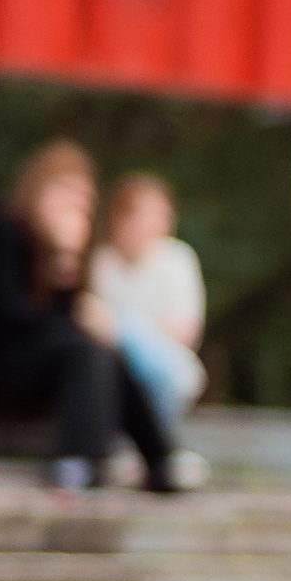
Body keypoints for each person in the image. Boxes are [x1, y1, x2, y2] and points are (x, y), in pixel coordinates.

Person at [0, 141, 181, 495]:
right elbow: (13, 318)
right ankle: (81, 459)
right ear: (39, 188)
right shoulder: (0, 231)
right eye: (65, 192)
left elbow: (66, 319)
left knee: (103, 353)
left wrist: (67, 264)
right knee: (84, 348)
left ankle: (159, 461)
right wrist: (63, 261)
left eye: (83, 198)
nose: (74, 205)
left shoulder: (67, 251)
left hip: (39, 369)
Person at [89, 172, 210, 476]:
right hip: (113, 367)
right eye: (146, 214)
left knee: (154, 363)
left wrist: (129, 329)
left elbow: (185, 329)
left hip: (165, 366)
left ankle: (150, 450)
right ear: (120, 218)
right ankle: (157, 452)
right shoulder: (100, 262)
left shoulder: (177, 260)